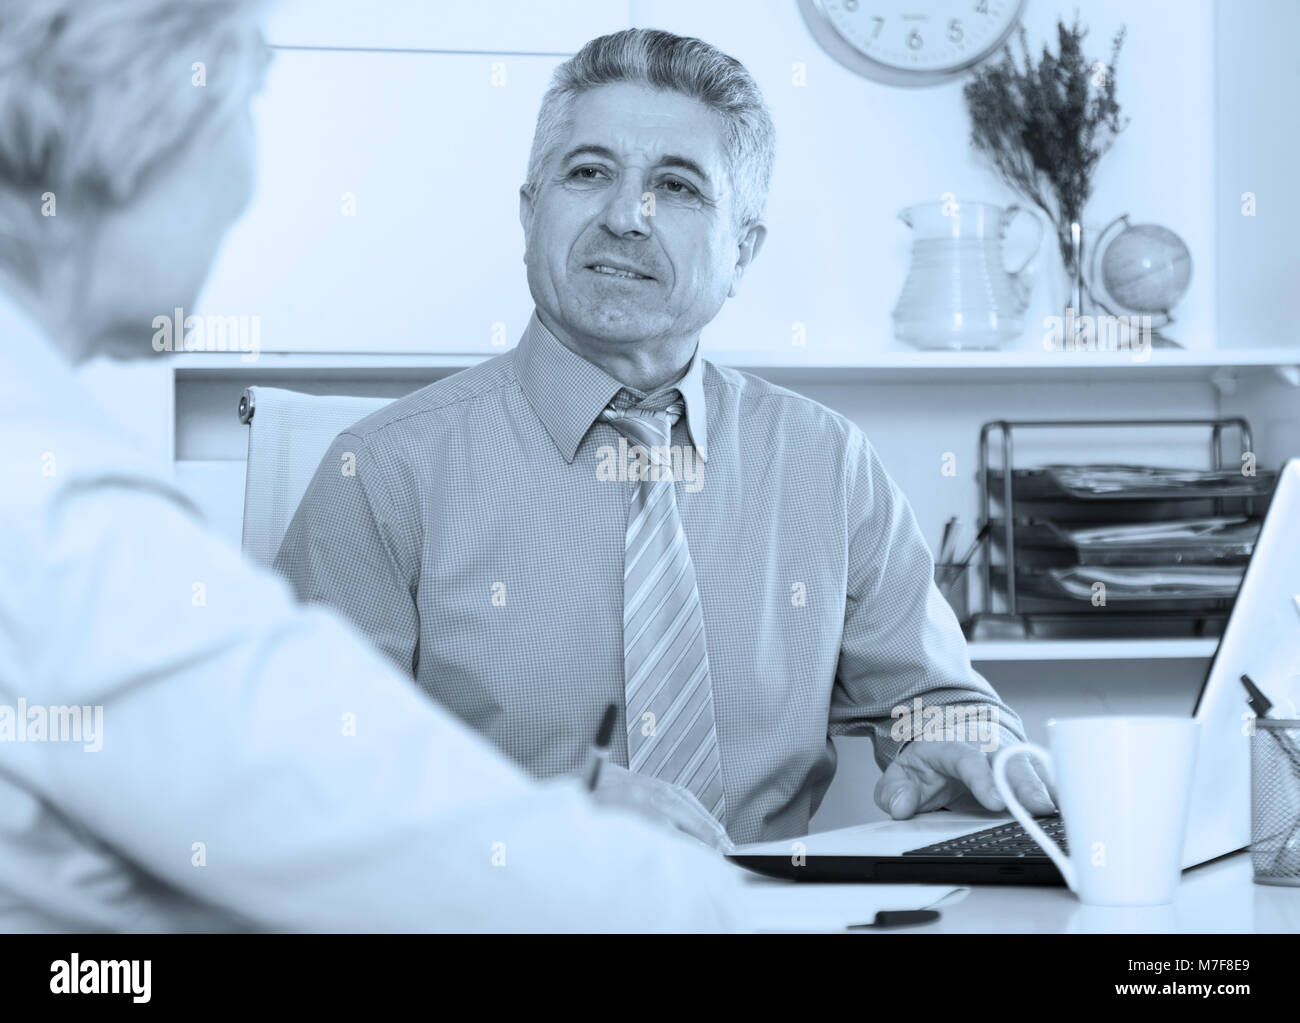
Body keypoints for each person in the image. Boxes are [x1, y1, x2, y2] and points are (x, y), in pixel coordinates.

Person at [0, 0, 743, 933]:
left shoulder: (46, 471)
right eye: (246, 111)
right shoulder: (59, 516)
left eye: (677, 187)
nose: (244, 182)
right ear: (136, 131)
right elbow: (358, 817)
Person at [276, 27, 1055, 846]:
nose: (625, 216)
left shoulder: (828, 464)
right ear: (528, 211)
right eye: (588, 173)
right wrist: (539, 808)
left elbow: (941, 700)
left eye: (678, 187)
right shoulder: (382, 472)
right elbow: (304, 763)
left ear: (742, 252)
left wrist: (973, 743)